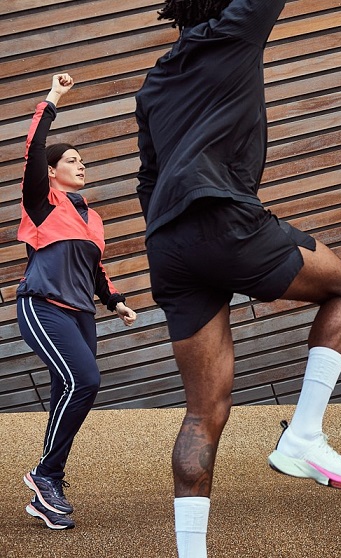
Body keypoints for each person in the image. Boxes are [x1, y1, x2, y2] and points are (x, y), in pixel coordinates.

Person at [134, 1, 341, 555]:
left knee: (201, 413)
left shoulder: (154, 83)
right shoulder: (235, 33)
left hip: (167, 243)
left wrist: (175, 239)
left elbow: (148, 177)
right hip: (223, 219)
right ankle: (304, 435)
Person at [17, 74, 137, 530]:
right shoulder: (42, 201)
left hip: (81, 314)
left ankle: (46, 494)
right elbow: (32, 149)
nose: (80, 164)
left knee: (67, 392)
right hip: (43, 306)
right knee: (85, 380)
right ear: (51, 171)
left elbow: (94, 269)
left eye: (82, 159)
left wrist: (115, 302)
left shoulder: (92, 215)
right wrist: (52, 98)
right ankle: (46, 475)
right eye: (71, 159)